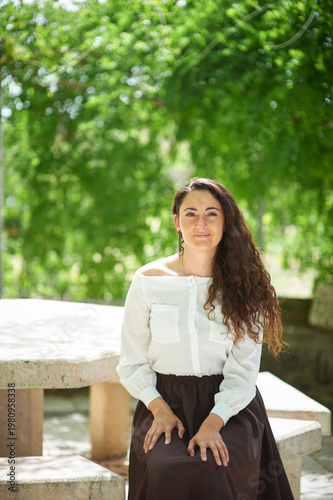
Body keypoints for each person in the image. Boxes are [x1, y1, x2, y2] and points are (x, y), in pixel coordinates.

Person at [117, 178, 294, 500]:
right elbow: (131, 360)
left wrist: (214, 422)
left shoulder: (245, 284)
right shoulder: (148, 280)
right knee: (167, 468)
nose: (201, 223)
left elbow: (243, 369)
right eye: (191, 214)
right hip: (163, 403)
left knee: (214, 465)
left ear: (226, 221)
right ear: (176, 223)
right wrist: (158, 408)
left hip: (231, 407)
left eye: (212, 214)